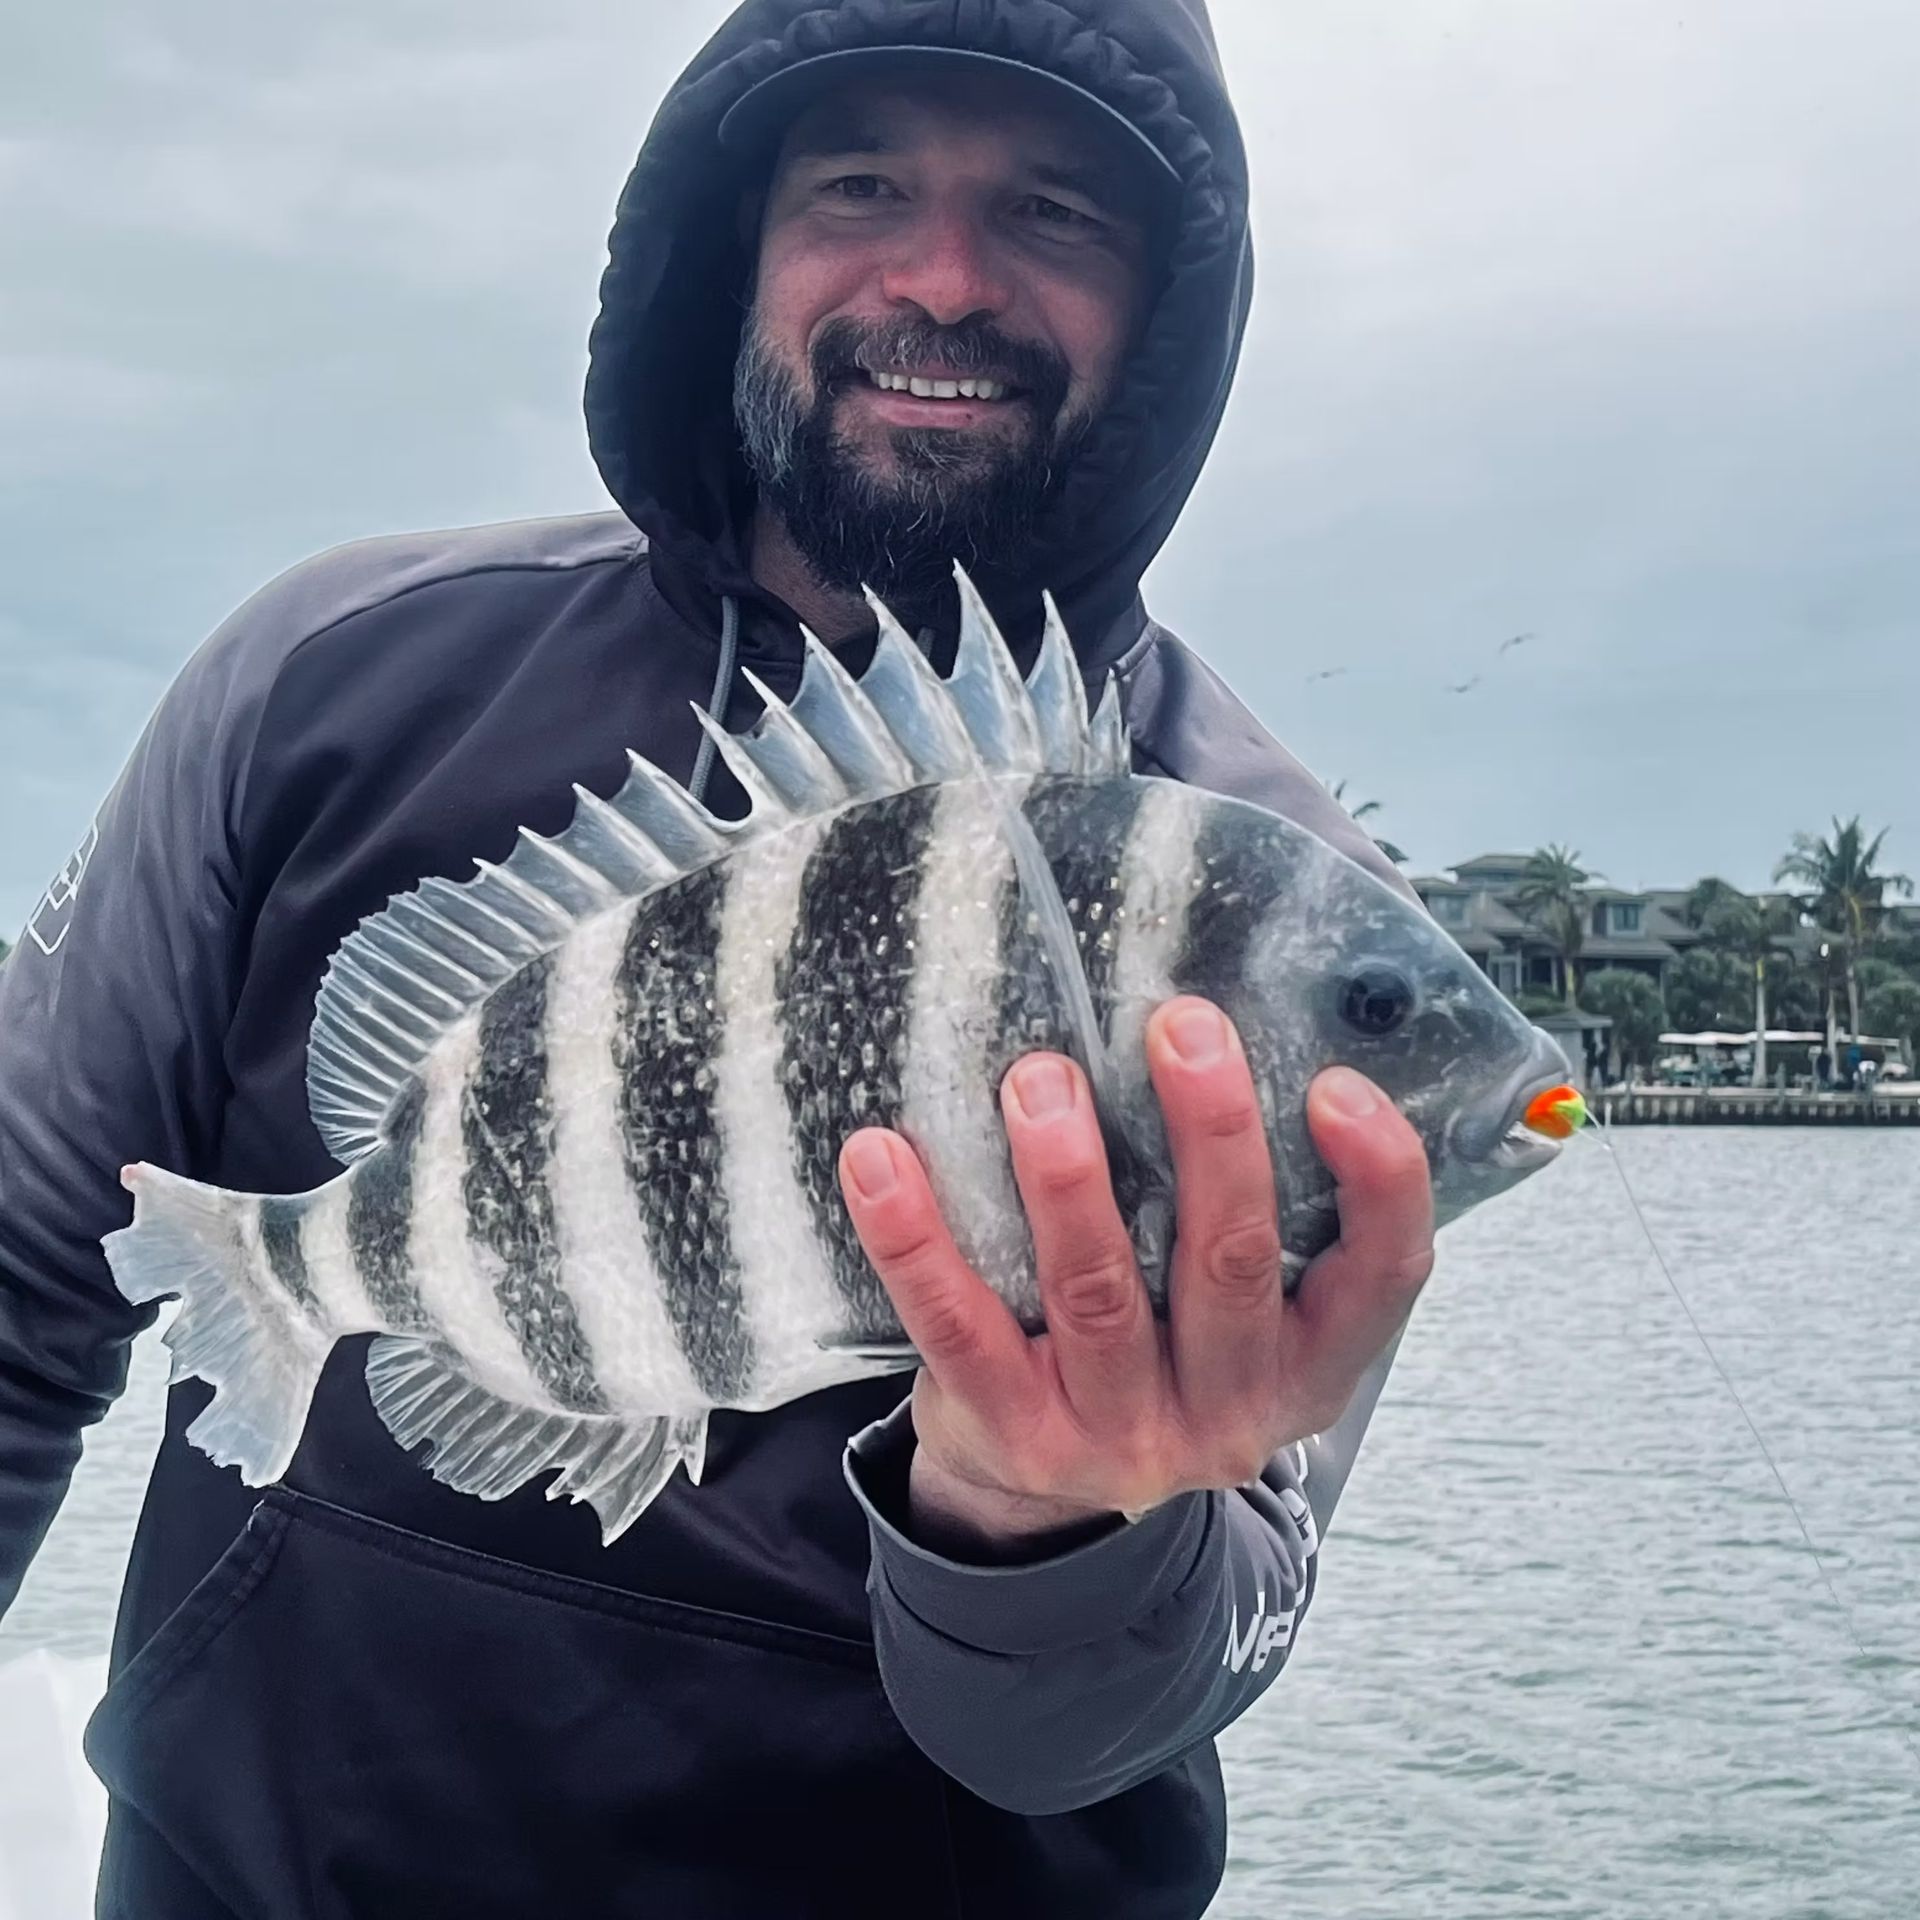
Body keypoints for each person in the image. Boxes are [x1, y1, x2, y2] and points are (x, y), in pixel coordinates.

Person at [0, 4, 1441, 1915]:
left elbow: (1116, 1721)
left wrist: (1042, 1528)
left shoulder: (1279, 919)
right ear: (732, 241)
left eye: (1057, 212)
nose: (945, 277)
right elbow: (20, 1274)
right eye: (861, 183)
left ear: (1169, 309)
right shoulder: (330, 682)